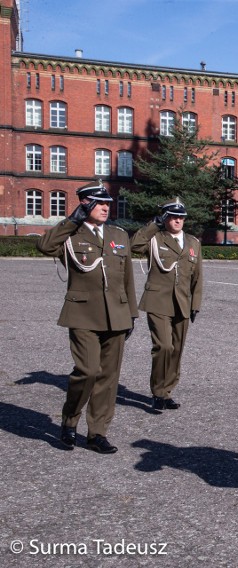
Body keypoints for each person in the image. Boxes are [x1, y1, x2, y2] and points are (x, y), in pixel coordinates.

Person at [36, 180, 138, 454]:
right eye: (100, 203)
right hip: (82, 313)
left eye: (107, 203)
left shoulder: (119, 235)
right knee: (88, 371)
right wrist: (71, 221)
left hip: (116, 315)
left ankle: (97, 433)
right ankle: (69, 421)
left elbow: (127, 277)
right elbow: (44, 246)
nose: (106, 208)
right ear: (85, 203)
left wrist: (131, 314)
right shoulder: (71, 235)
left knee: (108, 376)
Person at [130, 198, 203, 411]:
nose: (178, 220)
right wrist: (154, 224)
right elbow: (135, 245)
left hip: (182, 302)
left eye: (181, 217)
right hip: (158, 300)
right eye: (173, 217)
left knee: (177, 349)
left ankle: (167, 391)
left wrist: (195, 303)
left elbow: (198, 276)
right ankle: (158, 391)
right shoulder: (155, 238)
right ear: (166, 218)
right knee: (164, 346)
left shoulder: (193, 243)